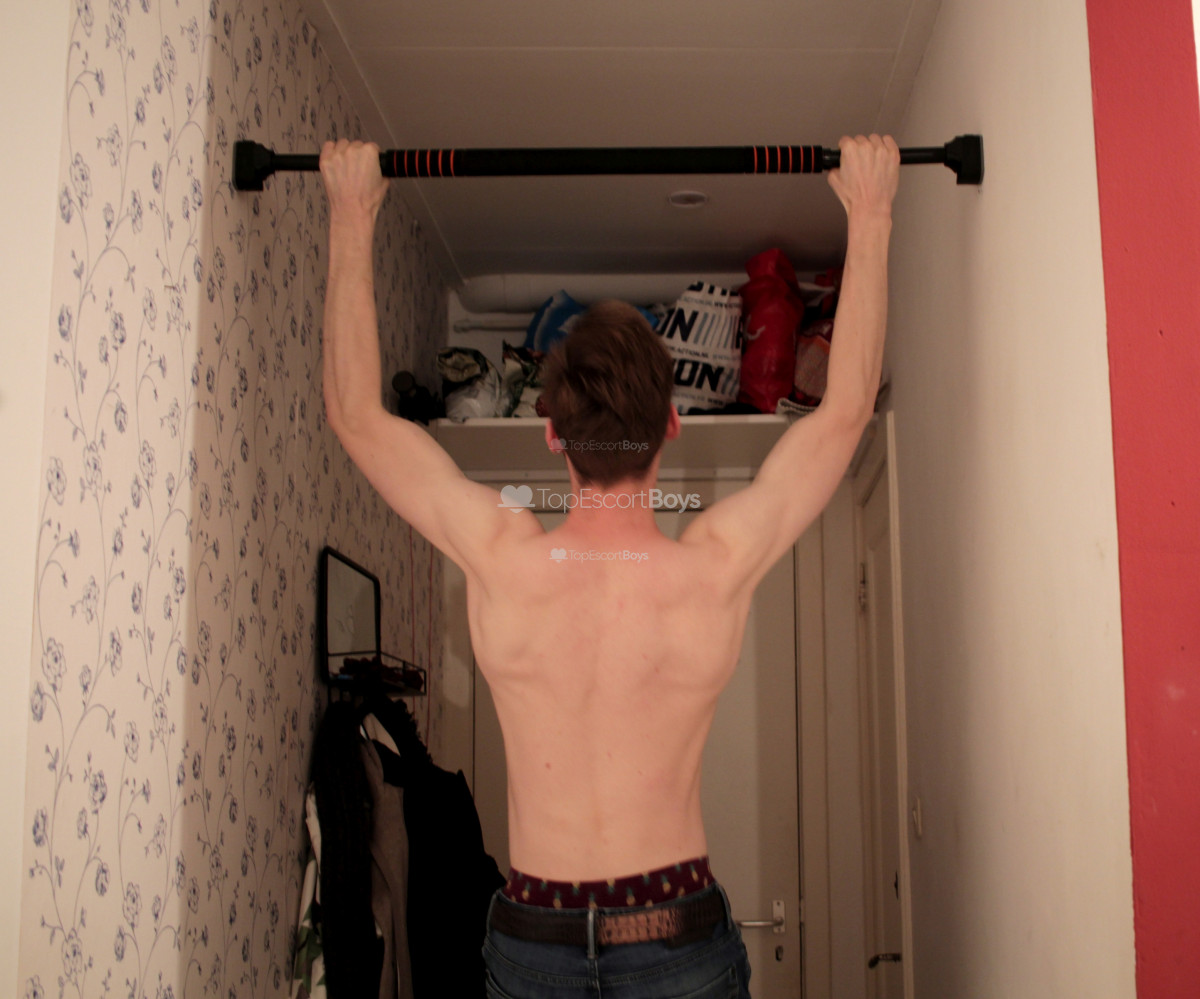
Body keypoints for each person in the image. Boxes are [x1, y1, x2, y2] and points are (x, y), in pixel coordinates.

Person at [318, 133, 900, 998]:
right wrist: (872, 209)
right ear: (671, 424)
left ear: (552, 433)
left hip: (535, 939)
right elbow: (846, 412)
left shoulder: (501, 554)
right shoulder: (715, 565)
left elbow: (357, 417)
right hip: (675, 936)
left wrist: (352, 209)